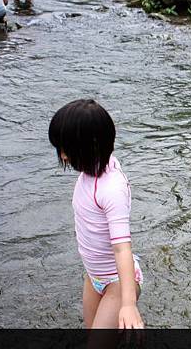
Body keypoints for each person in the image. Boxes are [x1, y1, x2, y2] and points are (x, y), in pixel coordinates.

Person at [49, 99, 144, 329]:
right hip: (94, 277)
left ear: (90, 148)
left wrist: (128, 303)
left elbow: (122, 247)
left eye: (66, 149)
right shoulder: (93, 171)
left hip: (118, 281)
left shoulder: (112, 188)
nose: (62, 156)